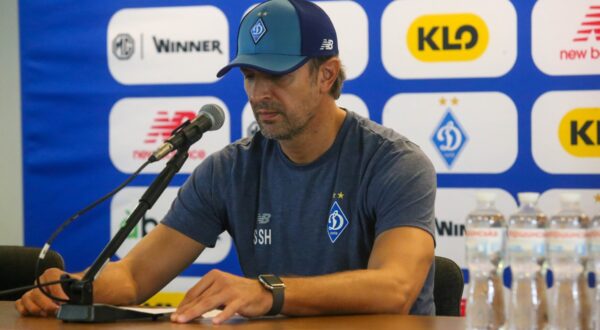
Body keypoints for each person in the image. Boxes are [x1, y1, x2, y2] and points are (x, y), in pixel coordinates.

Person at [16, 0, 436, 324]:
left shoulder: (395, 164)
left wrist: (269, 291)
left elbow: (396, 287)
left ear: (326, 75)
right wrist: (74, 288)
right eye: (250, 76)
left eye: (278, 75)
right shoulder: (228, 170)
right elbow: (133, 278)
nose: (259, 93)